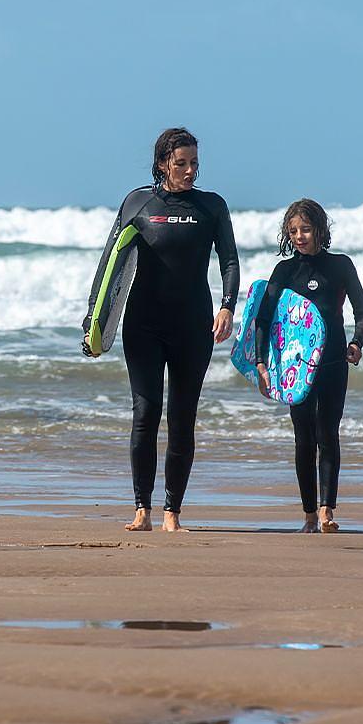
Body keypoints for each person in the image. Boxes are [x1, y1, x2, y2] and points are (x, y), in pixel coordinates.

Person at [83, 127, 239, 532]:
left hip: (192, 324)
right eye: (181, 164)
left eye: (194, 164)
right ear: (162, 164)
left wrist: (226, 306)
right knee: (145, 412)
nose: (189, 172)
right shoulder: (138, 202)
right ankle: (142, 510)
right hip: (144, 324)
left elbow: (229, 261)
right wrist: (93, 322)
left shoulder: (211, 207)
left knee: (182, 417)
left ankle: (172, 513)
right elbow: (109, 265)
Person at [253, 198, 363, 533]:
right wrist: (262, 363)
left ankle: (326, 511)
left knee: (328, 434)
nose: (300, 236)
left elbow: (362, 312)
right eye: (293, 231)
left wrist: (355, 344)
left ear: (320, 228)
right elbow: (263, 318)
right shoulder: (285, 271)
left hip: (333, 361)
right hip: (296, 368)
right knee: (303, 438)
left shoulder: (341, 266)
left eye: (305, 229)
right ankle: (308, 515)